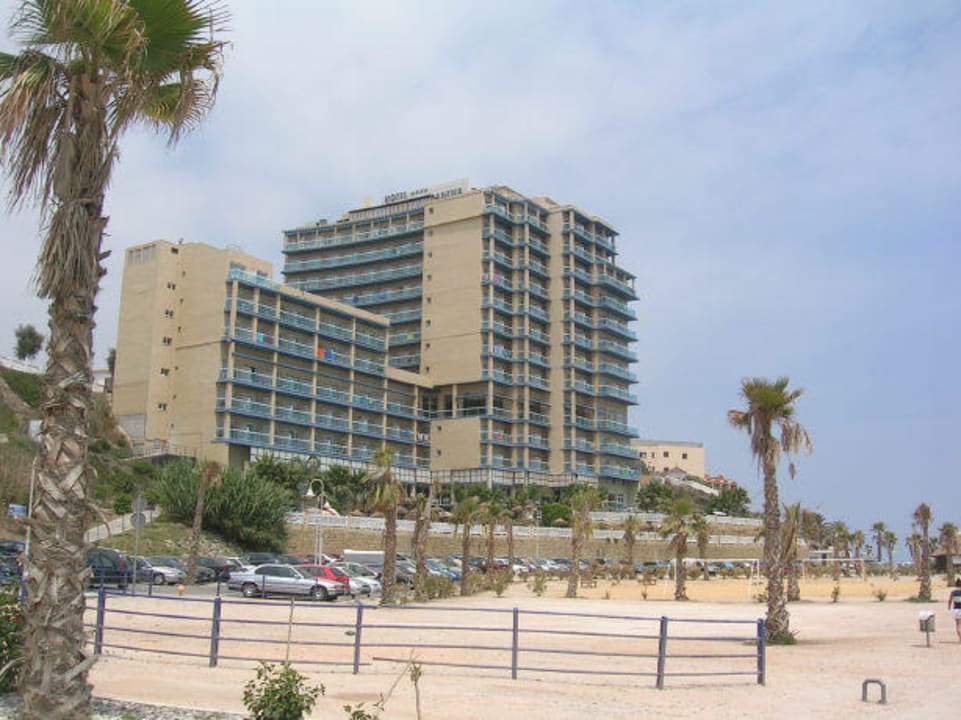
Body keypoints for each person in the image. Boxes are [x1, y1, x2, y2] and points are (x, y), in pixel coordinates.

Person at [950, 578, 961, 642]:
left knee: (958, 625)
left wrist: (949, 606)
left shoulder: (953, 592)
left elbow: (950, 600)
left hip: (956, 609)